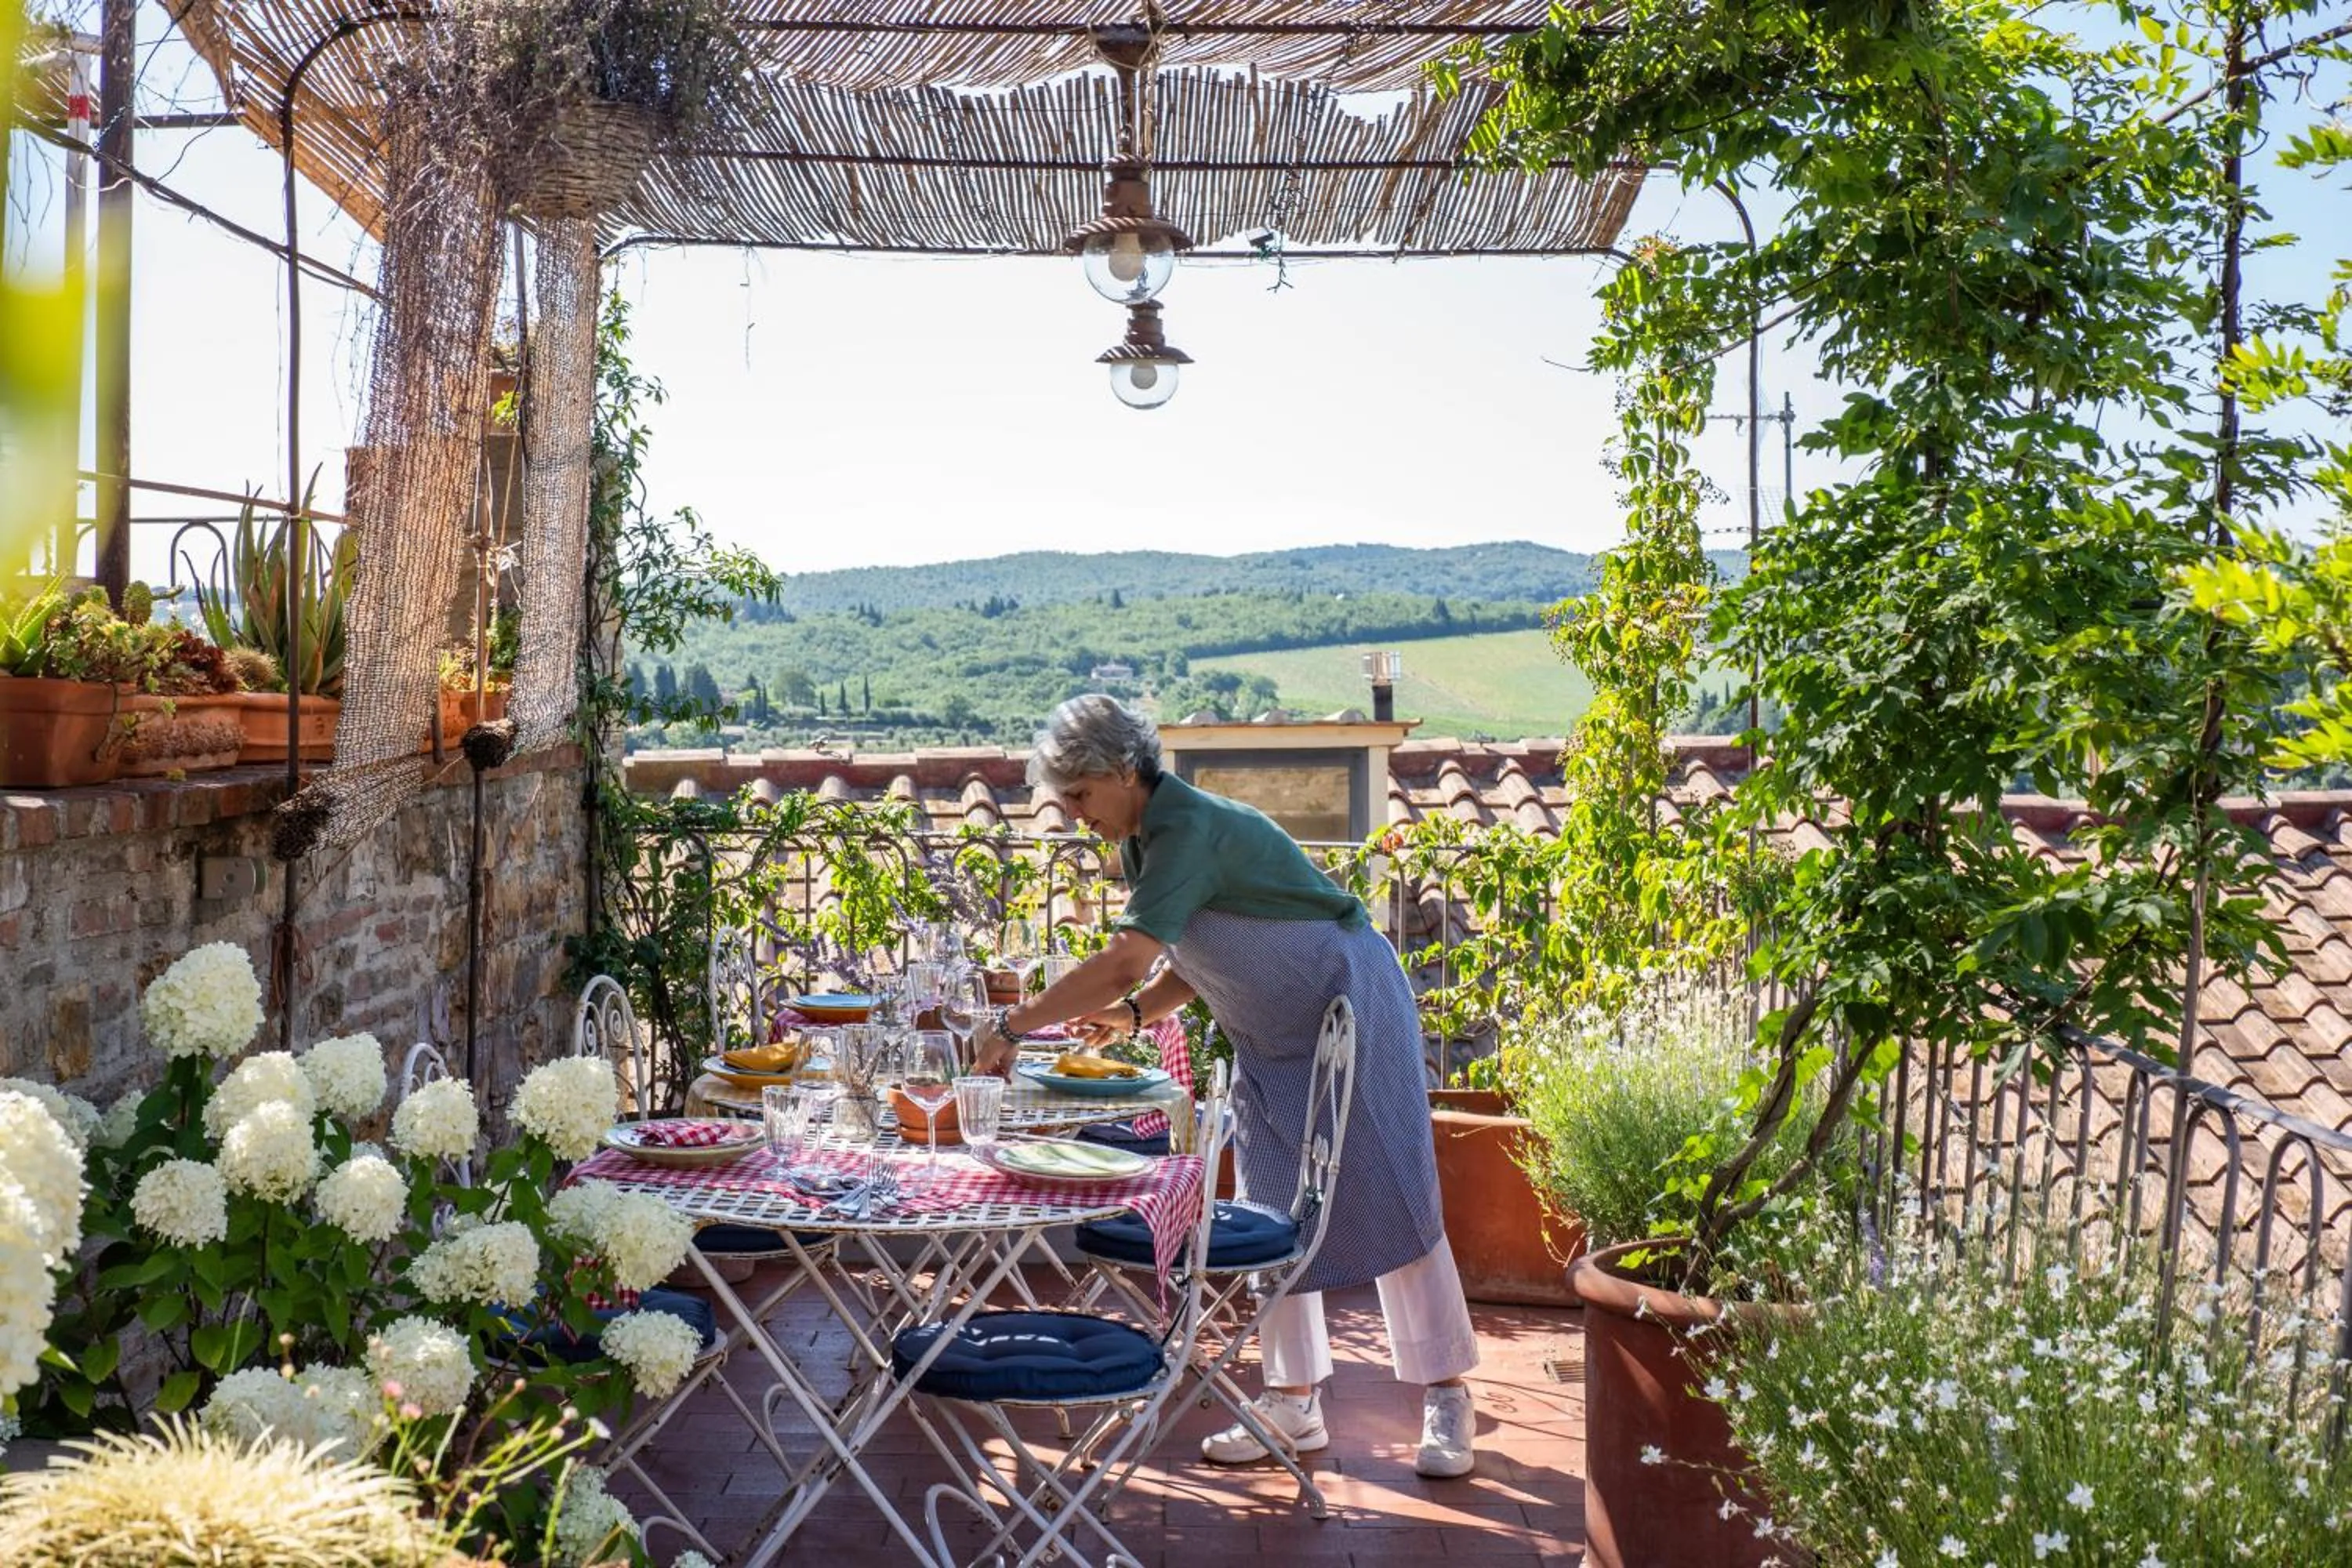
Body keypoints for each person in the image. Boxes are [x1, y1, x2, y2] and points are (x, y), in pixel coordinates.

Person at [971, 695, 1479, 1479]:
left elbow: (1124, 960)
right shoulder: (1145, 840)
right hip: (1270, 1037)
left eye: (1079, 794)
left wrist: (1012, 1026)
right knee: (1274, 1203)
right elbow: (1198, 953)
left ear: (1122, 770)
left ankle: (1447, 1395)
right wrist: (1135, 1015)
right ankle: (1293, 1400)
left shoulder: (1185, 828)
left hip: (1349, 1005)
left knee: (1393, 1188)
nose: (1072, 814)